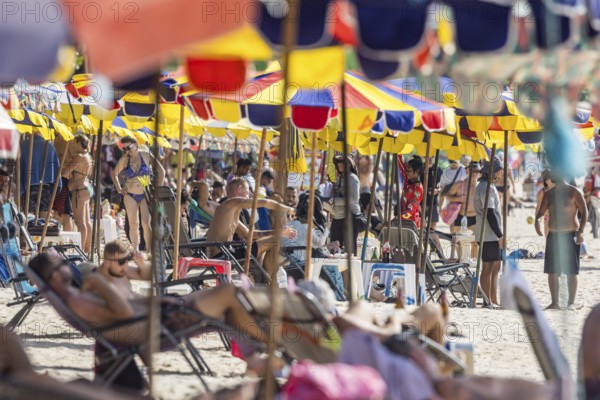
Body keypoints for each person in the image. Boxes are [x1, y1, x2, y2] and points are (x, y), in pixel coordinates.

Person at [28, 249, 271, 347]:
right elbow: (123, 315)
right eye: (61, 264)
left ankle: (266, 339)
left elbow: (128, 305)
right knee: (229, 293)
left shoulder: (78, 295)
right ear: (53, 278)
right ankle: (269, 341)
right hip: (159, 327)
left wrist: (156, 301)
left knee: (232, 299)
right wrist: (101, 282)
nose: (67, 265)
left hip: (160, 317)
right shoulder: (77, 301)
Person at [205, 178, 297, 276]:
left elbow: (252, 234)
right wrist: (289, 208)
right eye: (247, 192)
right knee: (273, 242)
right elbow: (265, 203)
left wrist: (280, 232)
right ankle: (265, 280)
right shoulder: (232, 202)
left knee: (266, 242)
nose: (248, 196)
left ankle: (261, 277)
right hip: (223, 256)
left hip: (223, 254)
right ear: (239, 189)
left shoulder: (229, 210)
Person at [535, 173, 587, 310]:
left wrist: (581, 231)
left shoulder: (574, 192)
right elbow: (541, 212)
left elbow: (584, 212)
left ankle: (571, 303)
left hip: (570, 235)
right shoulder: (549, 194)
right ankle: (554, 302)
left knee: (571, 271)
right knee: (552, 271)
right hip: (553, 235)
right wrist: (537, 221)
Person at [112, 137, 165, 252]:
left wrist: (157, 189)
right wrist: (119, 188)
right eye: (124, 149)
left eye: (129, 148)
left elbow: (161, 171)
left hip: (145, 194)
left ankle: (150, 250)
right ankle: (135, 250)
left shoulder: (146, 155)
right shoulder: (125, 159)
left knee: (146, 223)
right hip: (130, 194)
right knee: (133, 223)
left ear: (136, 144)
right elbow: (114, 174)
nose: (127, 151)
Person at [474, 158, 504, 309]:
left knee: (493, 266)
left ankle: (492, 299)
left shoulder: (485, 186)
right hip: (488, 233)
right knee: (488, 267)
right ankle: (487, 301)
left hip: (486, 232)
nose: (501, 173)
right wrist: (500, 235)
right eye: (499, 170)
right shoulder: (486, 187)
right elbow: (490, 213)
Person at [64, 135, 94, 253]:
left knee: (79, 222)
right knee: (87, 221)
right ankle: (88, 248)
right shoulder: (88, 156)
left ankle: (80, 250)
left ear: (77, 143)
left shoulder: (78, 157)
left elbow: (65, 172)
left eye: (72, 142)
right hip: (86, 187)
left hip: (79, 190)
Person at [20, 132, 61, 217]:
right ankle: (42, 230)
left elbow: (19, 168)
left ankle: (29, 230)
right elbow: (57, 169)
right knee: (44, 215)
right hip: (46, 187)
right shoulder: (50, 147)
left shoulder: (23, 146)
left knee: (29, 216)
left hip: (29, 186)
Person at [330, 154, 361, 254]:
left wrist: (335, 201)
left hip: (350, 216)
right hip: (338, 216)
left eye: (343, 162)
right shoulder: (339, 178)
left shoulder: (353, 178)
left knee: (350, 249)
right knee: (334, 246)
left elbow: (354, 198)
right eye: (339, 162)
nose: (340, 164)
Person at [448, 162, 481, 234]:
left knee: (475, 243)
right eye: (472, 171)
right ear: (467, 171)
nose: (474, 173)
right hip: (460, 216)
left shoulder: (481, 187)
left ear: (479, 173)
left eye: (476, 171)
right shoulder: (460, 184)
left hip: (475, 218)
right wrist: (458, 199)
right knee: (457, 243)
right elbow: (448, 197)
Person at [401, 156, 424, 229]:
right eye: (406, 170)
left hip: (411, 224)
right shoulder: (407, 180)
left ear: (416, 172)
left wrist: (398, 217)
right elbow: (400, 163)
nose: (406, 173)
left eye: (409, 171)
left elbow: (410, 211)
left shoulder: (418, 189)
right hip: (402, 220)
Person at [422, 156, 442, 230]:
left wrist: (437, 190)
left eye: (432, 157)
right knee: (421, 225)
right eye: (428, 157)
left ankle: (431, 240)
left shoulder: (438, 170)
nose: (430, 159)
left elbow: (443, 186)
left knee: (433, 226)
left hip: (433, 202)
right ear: (424, 157)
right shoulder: (420, 168)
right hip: (421, 202)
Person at [535, 170, 555, 237]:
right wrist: (537, 221)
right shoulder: (542, 192)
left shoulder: (559, 189)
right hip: (548, 218)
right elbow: (538, 208)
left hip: (555, 218)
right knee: (549, 240)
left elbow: (538, 208)